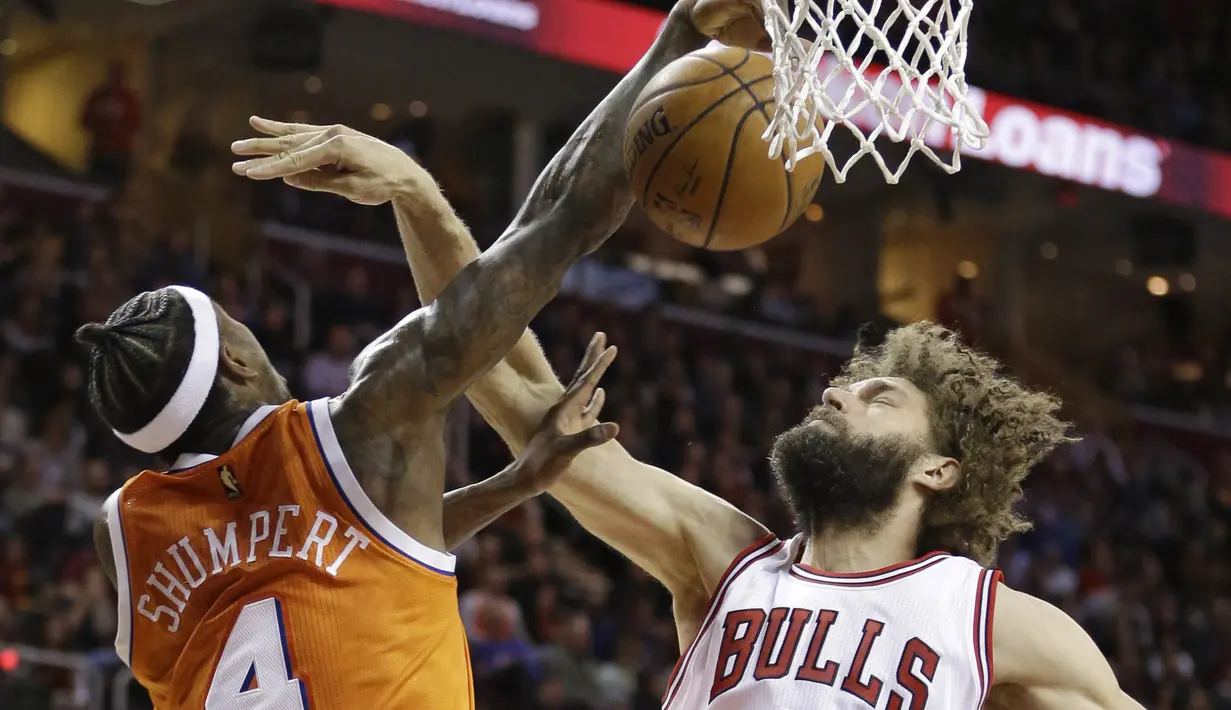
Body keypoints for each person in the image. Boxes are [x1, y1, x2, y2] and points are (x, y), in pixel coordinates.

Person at [257, 59, 1150, 710]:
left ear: (939, 471)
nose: (835, 394)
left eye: (880, 397)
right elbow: (502, 375)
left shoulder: (990, 622)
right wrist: (416, 194)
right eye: (844, 385)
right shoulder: (724, 558)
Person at [81, 0, 755, 706]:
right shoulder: (368, 422)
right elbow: (563, 215)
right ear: (236, 363)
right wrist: (676, 44)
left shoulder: (124, 535)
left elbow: (322, 551)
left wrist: (514, 484)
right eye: (234, 323)